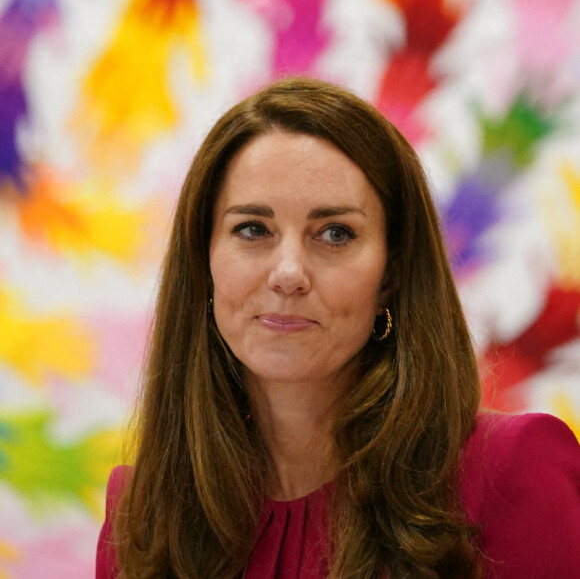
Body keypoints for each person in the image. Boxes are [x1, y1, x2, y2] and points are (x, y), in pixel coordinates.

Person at [96, 78, 580, 579]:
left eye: (334, 234)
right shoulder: (141, 511)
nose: (288, 273)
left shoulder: (513, 469)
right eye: (252, 229)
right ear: (205, 260)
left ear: (391, 274)